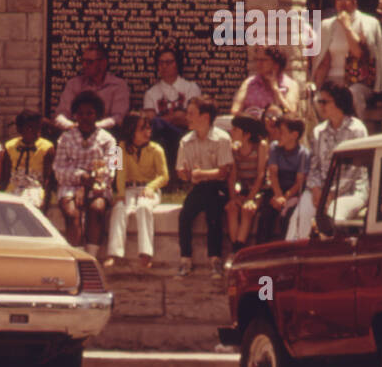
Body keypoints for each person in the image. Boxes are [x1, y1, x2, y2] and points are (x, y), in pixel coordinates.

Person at [286, 84, 369, 241]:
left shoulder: (357, 130)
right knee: (300, 216)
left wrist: (330, 194)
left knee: (332, 217)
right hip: (320, 192)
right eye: (320, 102)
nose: (321, 106)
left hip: (351, 192)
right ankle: (292, 253)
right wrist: (316, 189)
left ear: (339, 102)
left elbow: (354, 171)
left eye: (325, 102)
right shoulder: (318, 131)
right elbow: (314, 167)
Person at [175, 96, 234, 277]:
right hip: (199, 187)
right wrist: (185, 174)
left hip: (218, 187)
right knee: (184, 216)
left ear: (205, 117)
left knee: (213, 214)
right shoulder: (186, 141)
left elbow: (223, 172)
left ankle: (215, 259)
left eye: (191, 114)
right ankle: (185, 259)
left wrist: (201, 174)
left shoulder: (222, 139)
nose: (187, 117)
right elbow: (181, 171)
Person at [310, 0, 382, 120]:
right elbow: (324, 61)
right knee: (318, 99)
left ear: (355, 2)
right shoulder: (327, 25)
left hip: (359, 81)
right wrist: (316, 87)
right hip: (332, 80)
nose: (342, 3)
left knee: (351, 95)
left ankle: (355, 130)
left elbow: (359, 53)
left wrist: (346, 26)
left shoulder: (368, 23)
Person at [52, 91, 116, 256]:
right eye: (80, 114)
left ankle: (91, 257)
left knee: (97, 208)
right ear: (75, 115)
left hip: (98, 186)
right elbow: (58, 169)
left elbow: (112, 170)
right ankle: (79, 258)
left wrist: (89, 183)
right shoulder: (65, 138)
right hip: (70, 185)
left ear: (98, 115)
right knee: (72, 213)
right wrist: (81, 177)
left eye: (90, 113)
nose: (85, 117)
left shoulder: (109, 140)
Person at [106, 110, 168, 269]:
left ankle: (146, 253)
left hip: (148, 189)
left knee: (143, 207)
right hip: (129, 189)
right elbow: (120, 173)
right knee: (119, 209)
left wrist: (151, 187)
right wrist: (120, 194)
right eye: (142, 129)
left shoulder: (157, 149)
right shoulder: (118, 149)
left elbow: (164, 176)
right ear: (131, 130)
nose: (148, 132)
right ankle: (114, 254)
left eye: (148, 128)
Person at [142, 43, 200, 175]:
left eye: (169, 62)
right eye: (161, 63)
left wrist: (164, 120)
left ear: (177, 64)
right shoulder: (151, 93)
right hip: (162, 139)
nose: (164, 66)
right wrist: (176, 116)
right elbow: (151, 123)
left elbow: (192, 120)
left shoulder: (191, 88)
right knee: (158, 129)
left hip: (187, 134)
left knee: (159, 123)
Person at [53, 42, 130, 132]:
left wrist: (92, 127)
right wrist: (73, 126)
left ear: (103, 63)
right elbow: (60, 115)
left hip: (105, 135)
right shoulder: (73, 84)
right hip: (74, 134)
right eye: (83, 61)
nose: (84, 65)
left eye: (89, 62)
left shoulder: (118, 86)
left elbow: (118, 118)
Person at [257, 117, 310, 243]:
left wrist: (285, 198)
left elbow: (299, 182)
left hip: (293, 192)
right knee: (265, 214)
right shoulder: (274, 147)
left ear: (294, 135)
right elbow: (273, 174)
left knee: (289, 216)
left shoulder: (304, 154)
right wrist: (278, 195)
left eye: (281, 132)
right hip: (277, 189)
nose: (277, 135)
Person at [226, 115, 269, 254]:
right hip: (243, 189)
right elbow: (232, 177)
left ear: (247, 134)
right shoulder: (234, 149)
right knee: (232, 208)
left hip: (258, 190)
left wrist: (250, 198)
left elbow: (261, 175)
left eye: (235, 129)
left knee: (247, 210)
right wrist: (233, 198)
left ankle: (238, 250)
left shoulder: (260, 146)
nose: (231, 132)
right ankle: (235, 249)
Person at [231, 47, 301, 119]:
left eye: (264, 60)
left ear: (276, 64)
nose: (259, 63)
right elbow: (235, 110)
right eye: (257, 59)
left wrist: (275, 90)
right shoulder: (249, 83)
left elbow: (291, 112)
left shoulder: (290, 85)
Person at [5, 110, 54, 211]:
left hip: (35, 187)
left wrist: (46, 198)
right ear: (19, 129)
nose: (34, 131)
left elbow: (48, 178)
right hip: (14, 186)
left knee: (31, 207)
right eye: (28, 127)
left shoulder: (46, 147)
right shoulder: (10, 146)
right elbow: (5, 175)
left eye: (37, 127)